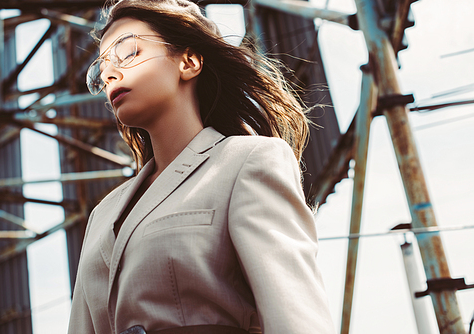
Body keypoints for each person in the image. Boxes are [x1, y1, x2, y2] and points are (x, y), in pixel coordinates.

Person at [68, 0, 335, 333]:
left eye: (129, 53)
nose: (109, 73)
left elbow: (296, 318)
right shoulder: (103, 213)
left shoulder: (247, 162)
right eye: (101, 68)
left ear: (189, 61)